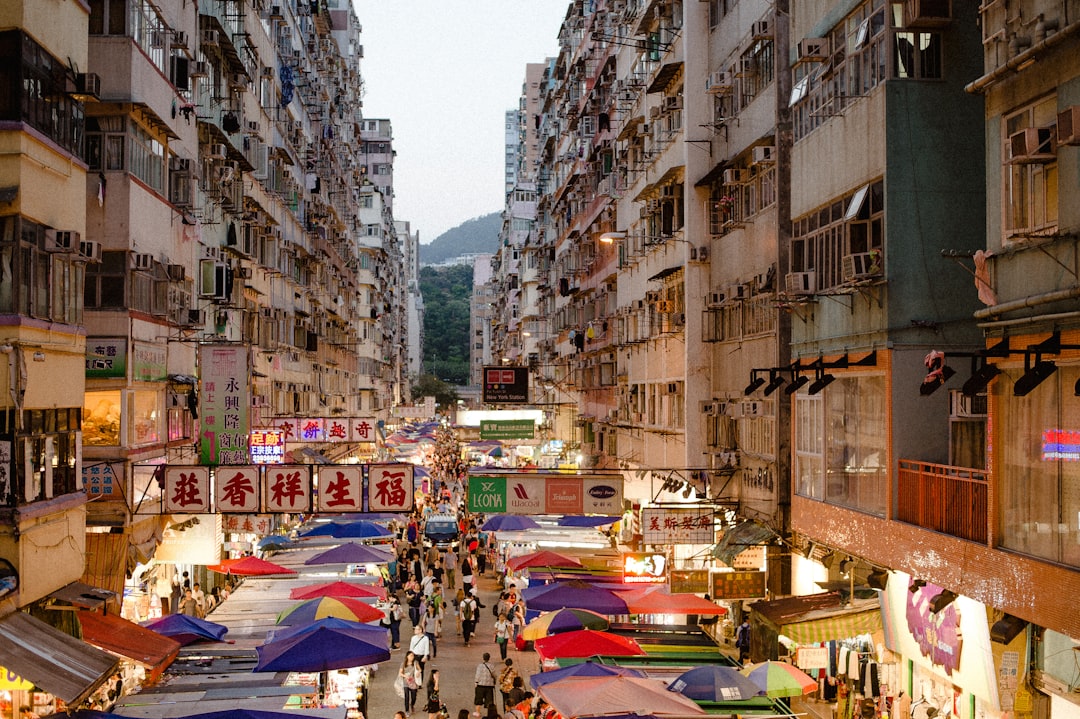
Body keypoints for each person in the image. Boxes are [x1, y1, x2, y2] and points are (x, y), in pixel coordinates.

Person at [473, 652, 497, 717]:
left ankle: (478, 712)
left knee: (478, 700)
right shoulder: (492, 666)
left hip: (480, 685)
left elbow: (477, 675)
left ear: (483, 658)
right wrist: (494, 682)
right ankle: (489, 714)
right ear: (489, 658)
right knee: (489, 701)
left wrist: (476, 682)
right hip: (489, 685)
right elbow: (495, 675)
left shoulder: (480, 666)